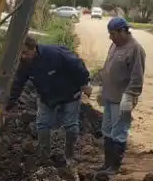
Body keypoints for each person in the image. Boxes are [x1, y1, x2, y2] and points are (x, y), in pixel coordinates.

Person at [7, 35, 92, 164]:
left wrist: (84, 83)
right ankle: (44, 157)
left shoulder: (53, 53)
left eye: (25, 53)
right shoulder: (24, 64)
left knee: (70, 126)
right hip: (47, 97)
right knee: (42, 125)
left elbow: (76, 64)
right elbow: (18, 83)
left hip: (69, 93)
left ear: (34, 48)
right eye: (20, 54)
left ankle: (69, 156)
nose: (23, 57)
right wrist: (9, 104)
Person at [96, 16, 146, 180]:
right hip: (110, 96)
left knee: (119, 131)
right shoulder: (114, 45)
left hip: (123, 99)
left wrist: (130, 97)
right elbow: (107, 68)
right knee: (107, 129)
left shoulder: (135, 49)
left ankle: (114, 166)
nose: (110, 37)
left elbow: (137, 77)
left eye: (112, 33)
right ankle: (107, 163)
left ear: (123, 31)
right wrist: (102, 90)